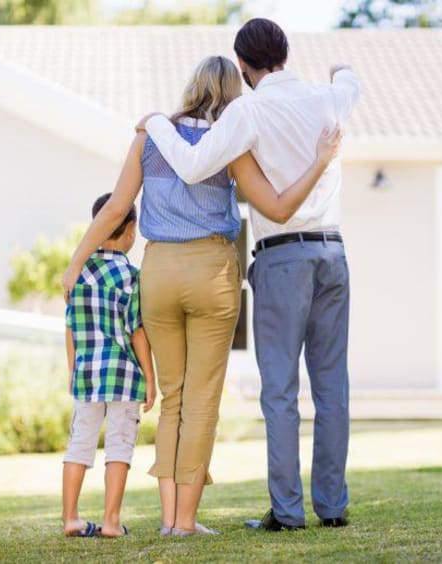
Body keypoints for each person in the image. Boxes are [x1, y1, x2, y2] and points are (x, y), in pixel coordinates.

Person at [61, 55, 341, 537]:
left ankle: (170, 518)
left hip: (159, 271)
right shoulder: (230, 144)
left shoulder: (149, 139)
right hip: (211, 271)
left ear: (190, 88)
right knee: (203, 399)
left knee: (174, 397)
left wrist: (75, 262)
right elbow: (274, 205)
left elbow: (114, 212)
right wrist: (319, 162)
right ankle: (184, 522)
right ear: (233, 96)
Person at [137, 18, 361, 531]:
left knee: (280, 391)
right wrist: (340, 67)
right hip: (333, 255)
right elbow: (352, 81)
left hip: (282, 258)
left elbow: (193, 166)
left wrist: (156, 124)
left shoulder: (248, 110)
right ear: (285, 52)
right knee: (332, 387)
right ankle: (332, 507)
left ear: (243, 65)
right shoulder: (329, 99)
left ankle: (287, 512)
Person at [62, 196, 156, 538]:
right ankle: (111, 521)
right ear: (131, 229)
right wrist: (151, 378)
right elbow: (138, 333)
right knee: (119, 445)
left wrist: (73, 371)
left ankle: (70, 517)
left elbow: (70, 328)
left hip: (87, 375)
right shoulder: (132, 277)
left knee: (79, 444)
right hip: (124, 376)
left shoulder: (77, 274)